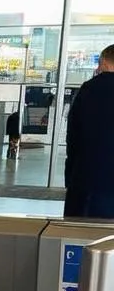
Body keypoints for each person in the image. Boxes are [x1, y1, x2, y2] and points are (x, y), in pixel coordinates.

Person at [64, 43, 114, 220]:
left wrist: (71, 176)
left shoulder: (90, 90)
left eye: (99, 64)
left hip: (90, 180)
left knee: (82, 237)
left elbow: (73, 137)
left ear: (105, 63)